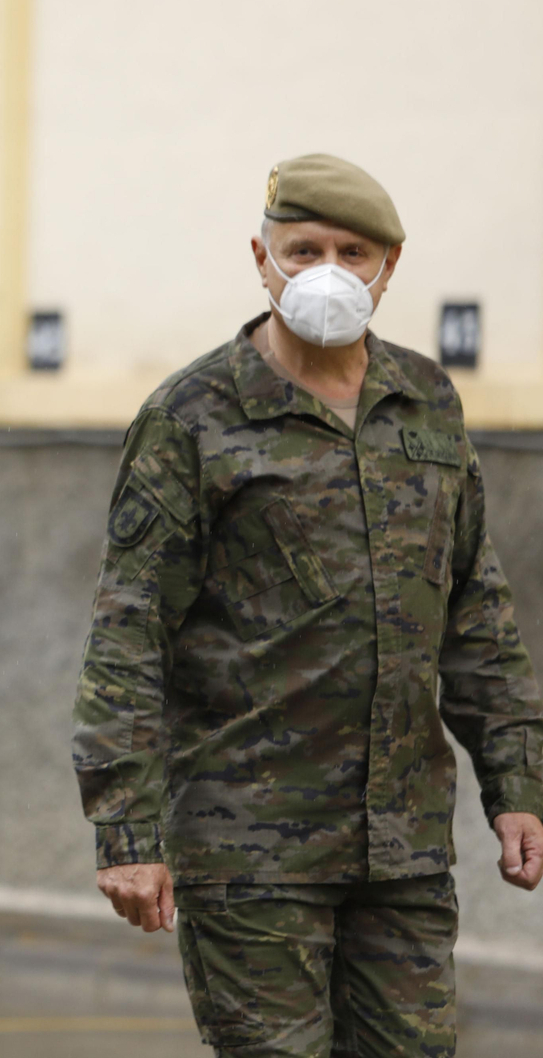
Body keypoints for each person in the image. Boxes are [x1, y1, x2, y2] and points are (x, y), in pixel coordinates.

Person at [72, 153, 543, 1056]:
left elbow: (476, 606)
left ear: (389, 267)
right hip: (250, 846)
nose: (327, 270)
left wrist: (515, 783)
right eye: (304, 248)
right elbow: (129, 634)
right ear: (261, 258)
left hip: (402, 844)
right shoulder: (192, 416)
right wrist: (125, 831)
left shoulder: (427, 404)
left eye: (353, 251)